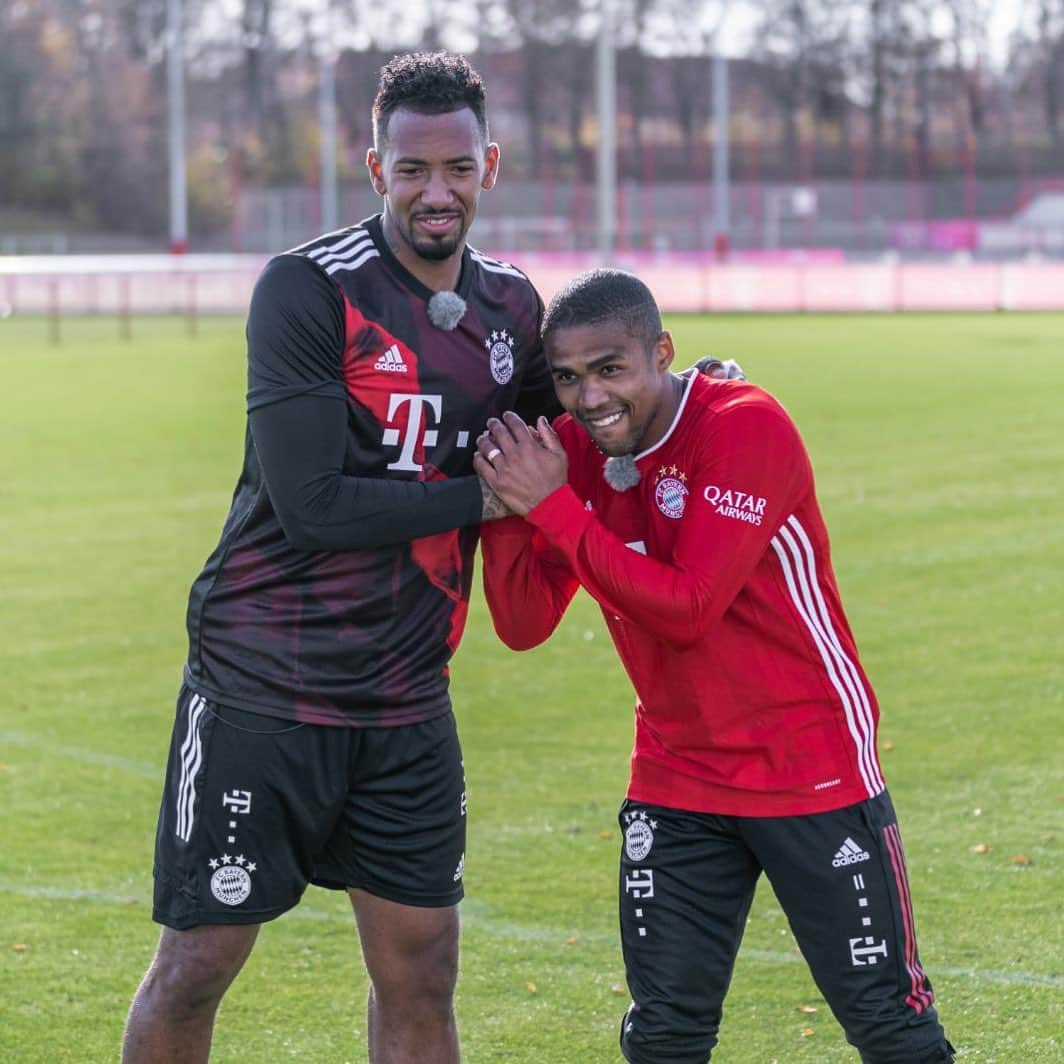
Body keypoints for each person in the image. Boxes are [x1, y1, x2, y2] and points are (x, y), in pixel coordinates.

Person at [121, 51, 559, 1064]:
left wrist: (685, 394)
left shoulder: (510, 313)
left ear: (488, 166)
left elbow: (571, 432)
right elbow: (311, 503)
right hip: (262, 683)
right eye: (412, 169)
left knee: (420, 972)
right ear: (374, 169)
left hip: (406, 697)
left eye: (455, 167)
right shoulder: (308, 291)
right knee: (199, 958)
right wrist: (488, 494)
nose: (435, 191)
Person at [474, 269, 955, 1064]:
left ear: (661, 351)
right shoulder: (573, 453)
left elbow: (688, 610)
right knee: (663, 1036)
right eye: (567, 378)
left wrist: (552, 508)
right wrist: (509, 503)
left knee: (887, 1024)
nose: (590, 397)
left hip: (808, 766)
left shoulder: (743, 425)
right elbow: (523, 625)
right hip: (676, 774)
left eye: (611, 369)